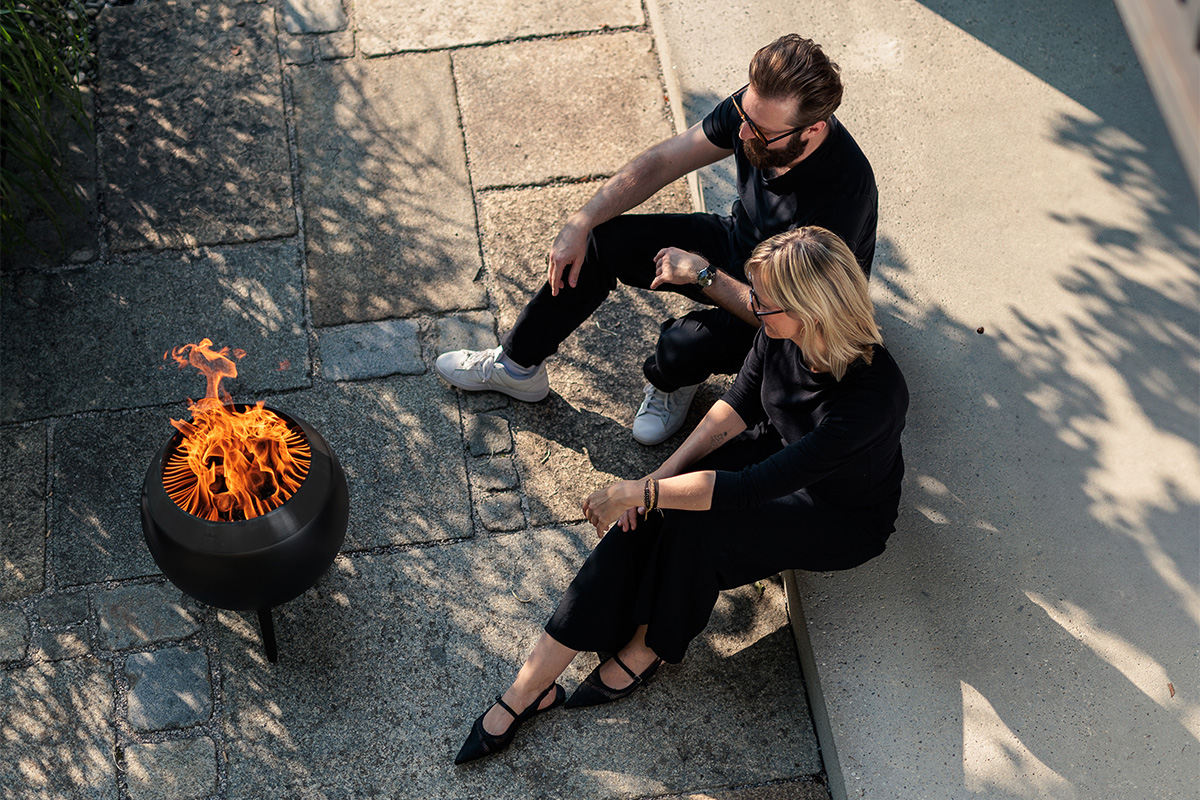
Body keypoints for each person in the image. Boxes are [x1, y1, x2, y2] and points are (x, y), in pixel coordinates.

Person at [453, 226, 908, 765]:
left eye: (764, 299)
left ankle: (647, 648)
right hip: (774, 453)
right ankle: (529, 688)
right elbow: (737, 405)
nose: (752, 304)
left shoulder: (872, 398)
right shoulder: (780, 329)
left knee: (699, 526)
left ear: (811, 307)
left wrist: (645, 491)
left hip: (836, 512)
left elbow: (749, 489)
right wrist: (653, 486)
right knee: (647, 518)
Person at [436, 34, 878, 445]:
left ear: (813, 130)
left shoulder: (839, 198)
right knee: (600, 243)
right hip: (741, 244)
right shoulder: (756, 114)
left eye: (760, 132)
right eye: (744, 115)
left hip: (798, 308)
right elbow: (666, 159)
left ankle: (674, 379)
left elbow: (796, 317)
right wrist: (581, 220)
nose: (742, 135)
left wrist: (702, 275)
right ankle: (516, 366)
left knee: (682, 347)